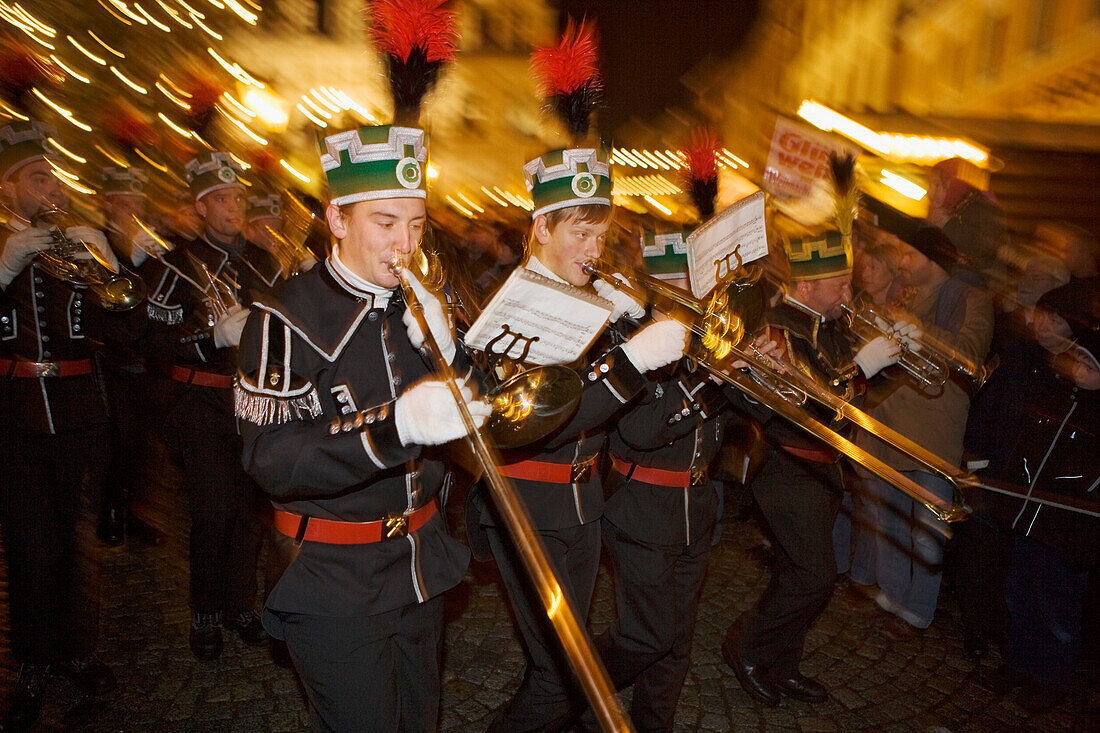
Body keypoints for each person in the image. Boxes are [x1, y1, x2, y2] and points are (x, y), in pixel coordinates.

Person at [236, 123, 488, 731]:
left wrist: (451, 350)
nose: (406, 243)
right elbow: (269, 459)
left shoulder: (424, 300)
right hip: (332, 576)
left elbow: (483, 411)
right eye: (385, 222)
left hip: (420, 561)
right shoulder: (283, 316)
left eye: (417, 224)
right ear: (338, 220)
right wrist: (393, 427)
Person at [474, 144, 688, 733]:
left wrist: (632, 324)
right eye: (582, 234)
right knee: (560, 672)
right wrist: (628, 363)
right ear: (541, 226)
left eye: (602, 237)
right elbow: (537, 423)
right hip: (526, 506)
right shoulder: (506, 301)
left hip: (583, 503)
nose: (596, 252)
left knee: (566, 659)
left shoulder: (589, 296)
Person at [722, 231, 901, 706]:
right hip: (788, 465)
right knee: (814, 576)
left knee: (797, 571)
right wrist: (862, 365)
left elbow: (854, 403)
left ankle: (782, 664)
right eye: (839, 284)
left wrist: (893, 360)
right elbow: (813, 403)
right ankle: (747, 646)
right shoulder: (781, 326)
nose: (848, 294)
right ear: (805, 287)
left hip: (823, 467)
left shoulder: (828, 323)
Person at [0, 120, 120, 731]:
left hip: (77, 413)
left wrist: (110, 259)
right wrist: (2, 265)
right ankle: (33, 662)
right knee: (28, 544)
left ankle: (76, 651)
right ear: (8, 190)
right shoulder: (3, 244)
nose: (52, 186)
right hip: (16, 418)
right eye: (37, 177)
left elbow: (119, 326)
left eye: (52, 175)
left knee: (72, 541)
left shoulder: (71, 245)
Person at [143, 151, 274, 660]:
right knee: (212, 513)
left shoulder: (260, 262)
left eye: (238, 197)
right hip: (201, 404)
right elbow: (151, 339)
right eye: (222, 199)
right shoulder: (173, 264)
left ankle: (240, 604)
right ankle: (204, 612)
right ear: (200, 207)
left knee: (248, 514)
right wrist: (208, 337)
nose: (233, 207)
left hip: (253, 405)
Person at [858, 227, 992, 638]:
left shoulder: (973, 299)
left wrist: (918, 327)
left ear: (934, 259)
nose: (901, 262)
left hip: (934, 433)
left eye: (909, 254)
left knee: (926, 532)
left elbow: (970, 358)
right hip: (888, 423)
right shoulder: (904, 293)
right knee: (890, 521)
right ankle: (894, 596)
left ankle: (918, 611)